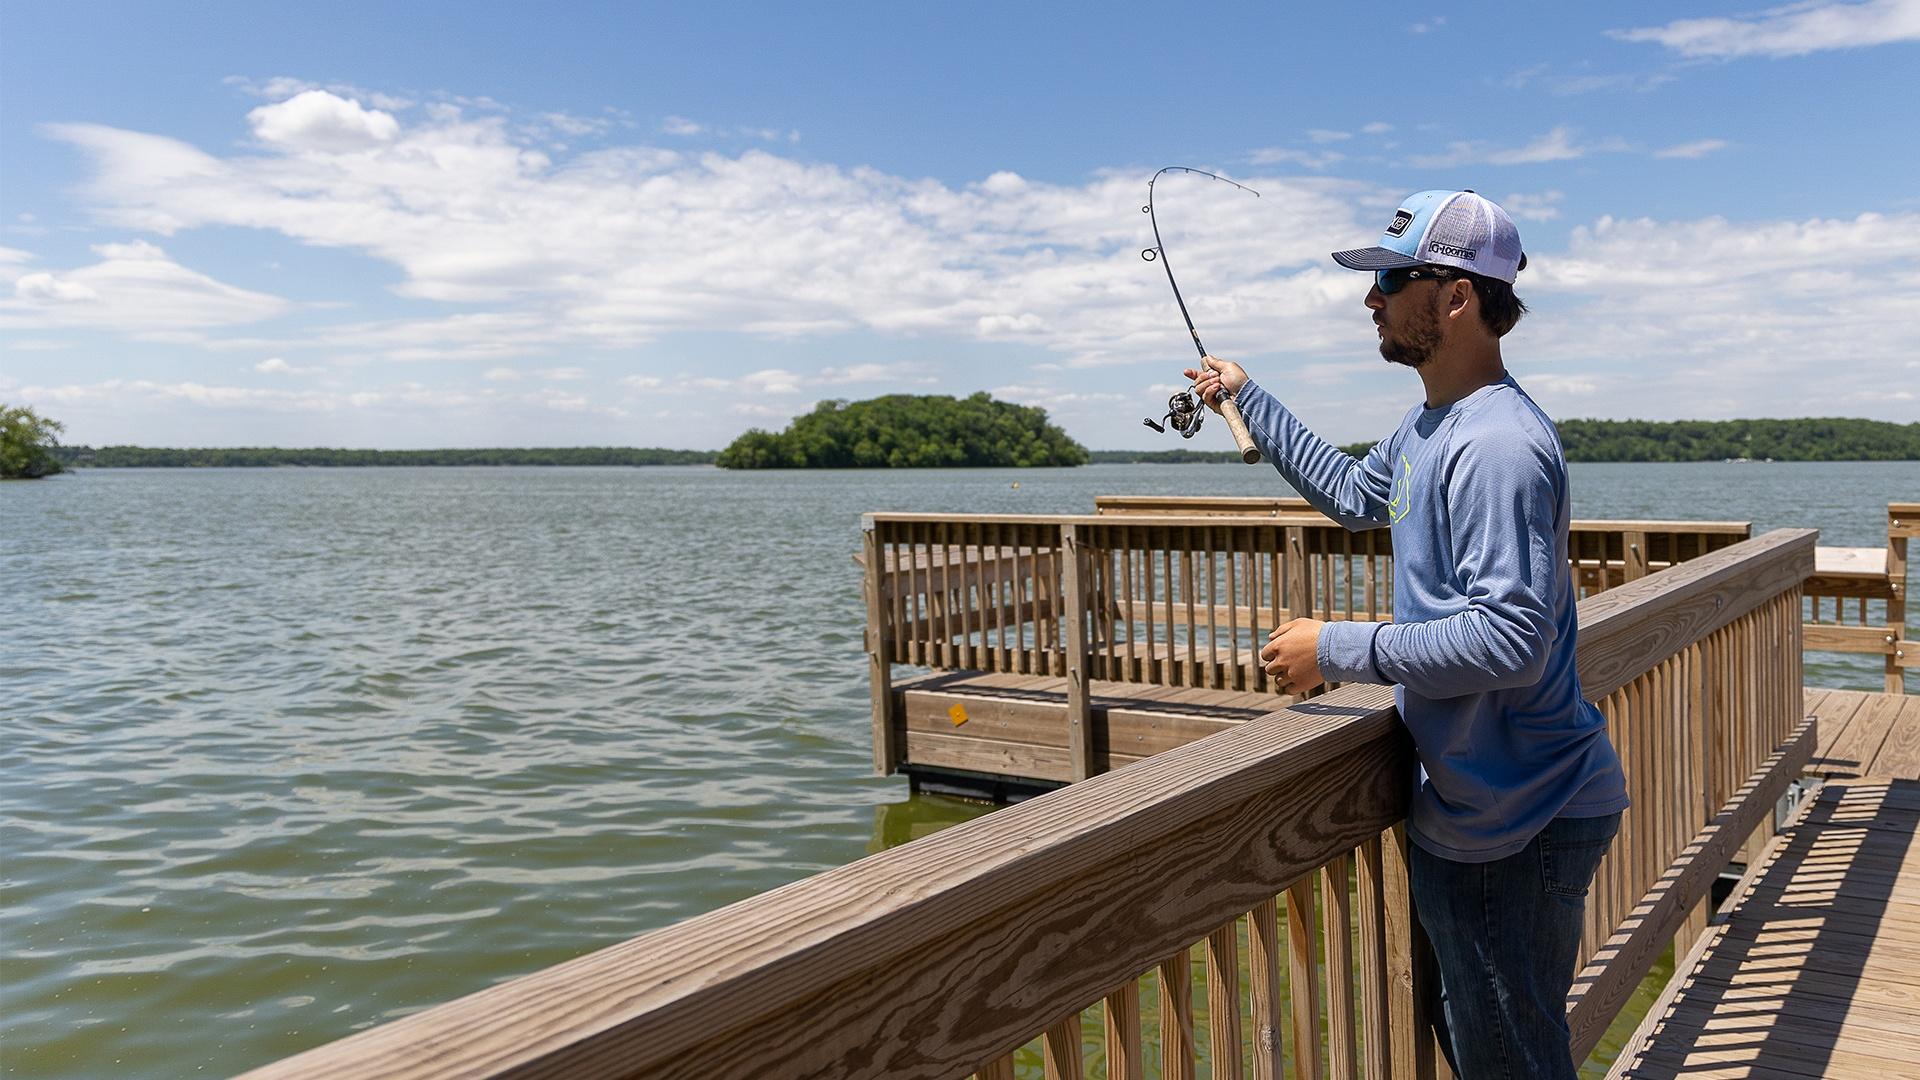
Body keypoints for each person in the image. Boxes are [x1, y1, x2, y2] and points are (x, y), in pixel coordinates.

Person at [1183, 189, 1629, 1080]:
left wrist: (1337, 649)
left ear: (1456, 298)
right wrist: (1248, 397)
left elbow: (1511, 639)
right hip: (1480, 809)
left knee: (1510, 1060)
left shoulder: (1497, 445)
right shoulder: (1430, 426)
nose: (1370, 298)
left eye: (1390, 279)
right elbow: (1355, 496)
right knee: (1485, 1045)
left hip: (1521, 818)